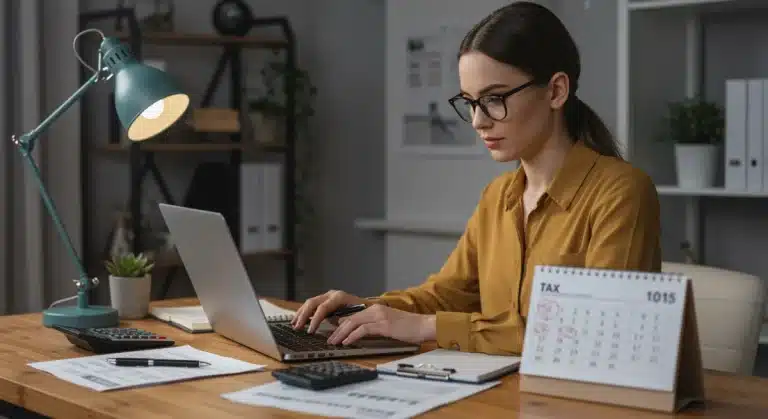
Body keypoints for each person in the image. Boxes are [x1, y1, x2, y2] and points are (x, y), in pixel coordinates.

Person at [291, 1, 661, 355]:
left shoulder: (621, 192)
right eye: (469, 102)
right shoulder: (497, 196)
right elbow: (446, 294)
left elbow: (597, 330)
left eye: (494, 98)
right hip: (508, 392)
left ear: (556, 90)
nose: (478, 120)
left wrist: (425, 328)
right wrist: (367, 310)